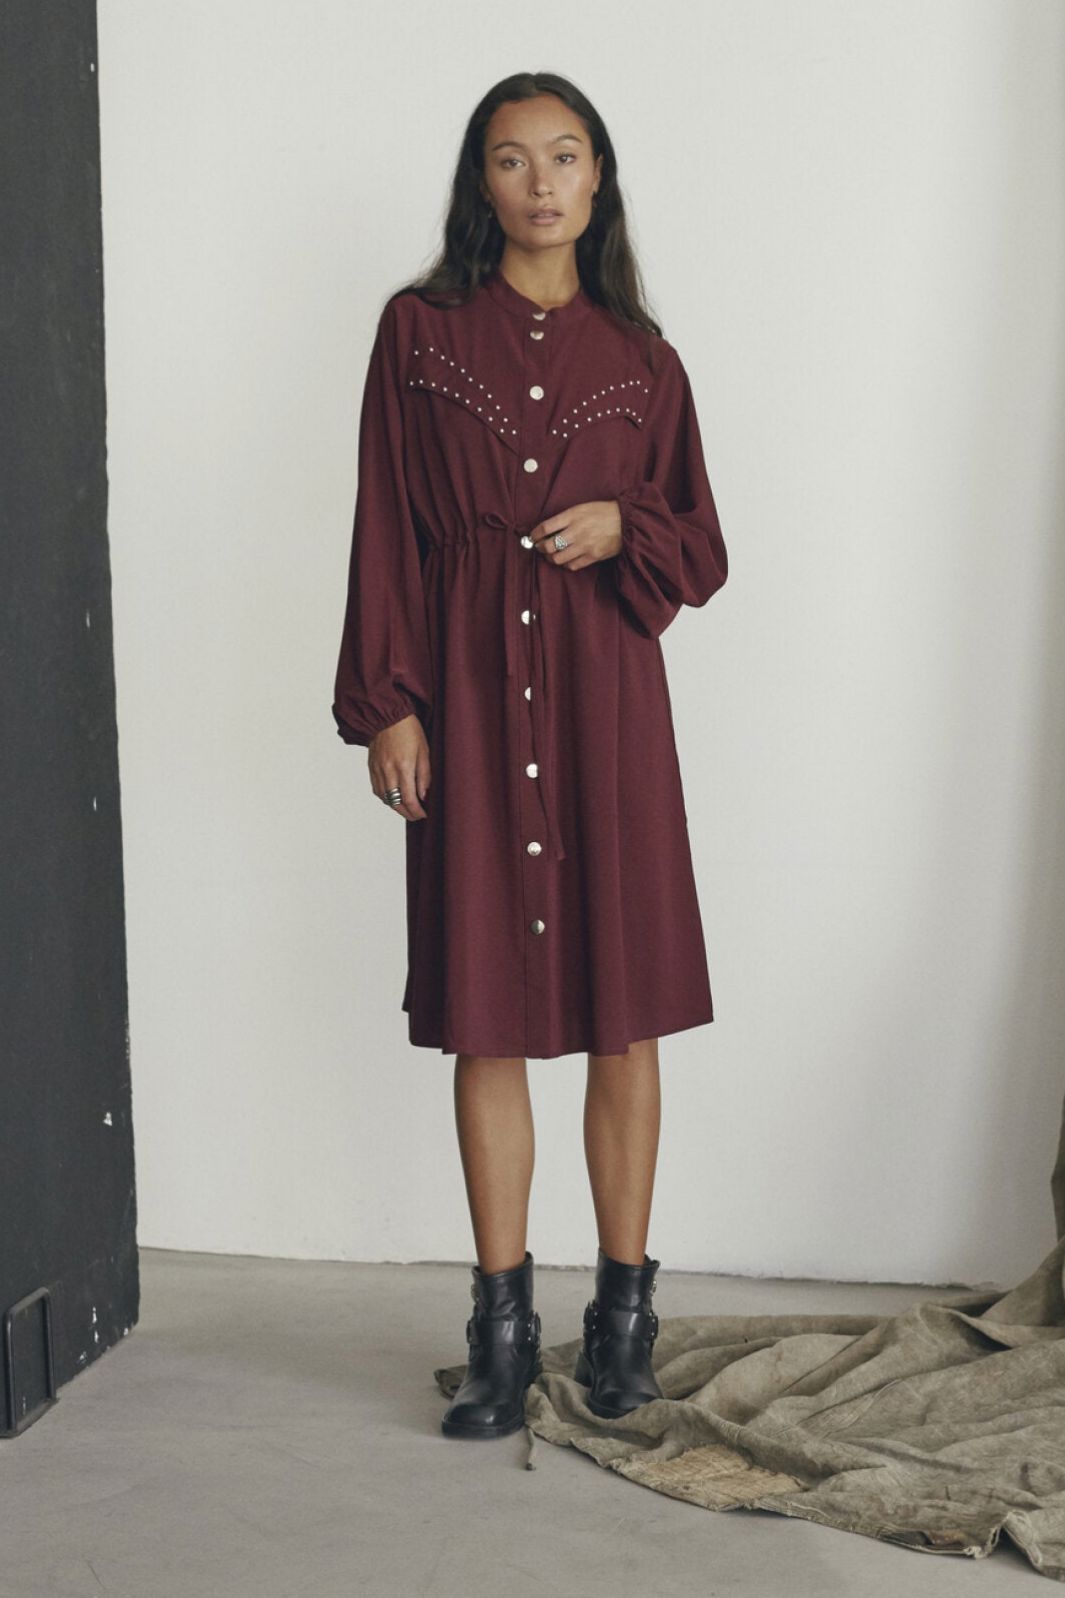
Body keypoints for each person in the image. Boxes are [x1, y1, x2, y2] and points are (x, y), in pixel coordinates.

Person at [331, 71, 728, 1441]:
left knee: (625, 1016)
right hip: (468, 701)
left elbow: (702, 544)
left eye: (565, 156)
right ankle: (499, 1336)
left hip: (608, 711)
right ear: (480, 182)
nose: (542, 182)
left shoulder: (643, 358)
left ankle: (622, 1327)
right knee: (486, 1013)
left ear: (599, 177)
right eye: (513, 160)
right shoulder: (420, 332)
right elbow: (383, 518)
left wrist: (626, 524)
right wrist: (388, 703)